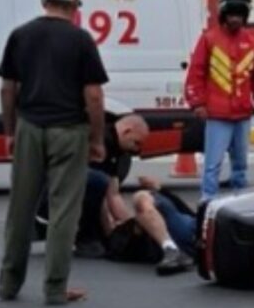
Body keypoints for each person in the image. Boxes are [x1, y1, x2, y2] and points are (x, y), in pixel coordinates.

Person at [0, 0, 108, 305]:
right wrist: (97, 139)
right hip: (69, 130)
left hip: (29, 126)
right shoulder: (81, 40)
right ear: (75, 6)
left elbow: (7, 89)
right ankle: (55, 288)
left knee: (21, 207)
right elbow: (94, 97)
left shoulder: (21, 36)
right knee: (63, 210)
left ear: (45, 1)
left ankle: (8, 284)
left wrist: (9, 131)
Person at [72, 114, 195, 275]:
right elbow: (101, 196)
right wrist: (111, 228)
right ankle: (86, 237)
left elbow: (113, 194)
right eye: (136, 142)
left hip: (188, 232)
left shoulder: (118, 150)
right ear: (127, 131)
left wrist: (126, 223)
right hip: (59, 191)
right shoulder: (101, 142)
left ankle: (169, 248)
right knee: (105, 184)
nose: (137, 149)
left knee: (139, 198)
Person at [185, 0, 254, 202]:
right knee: (213, 163)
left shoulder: (252, 42)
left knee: (241, 164)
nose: (235, 19)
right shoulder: (209, 39)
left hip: (242, 114)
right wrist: (197, 104)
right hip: (217, 115)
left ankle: (239, 200)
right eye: (232, 15)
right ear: (224, 15)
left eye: (240, 15)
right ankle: (207, 201)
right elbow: (196, 73)